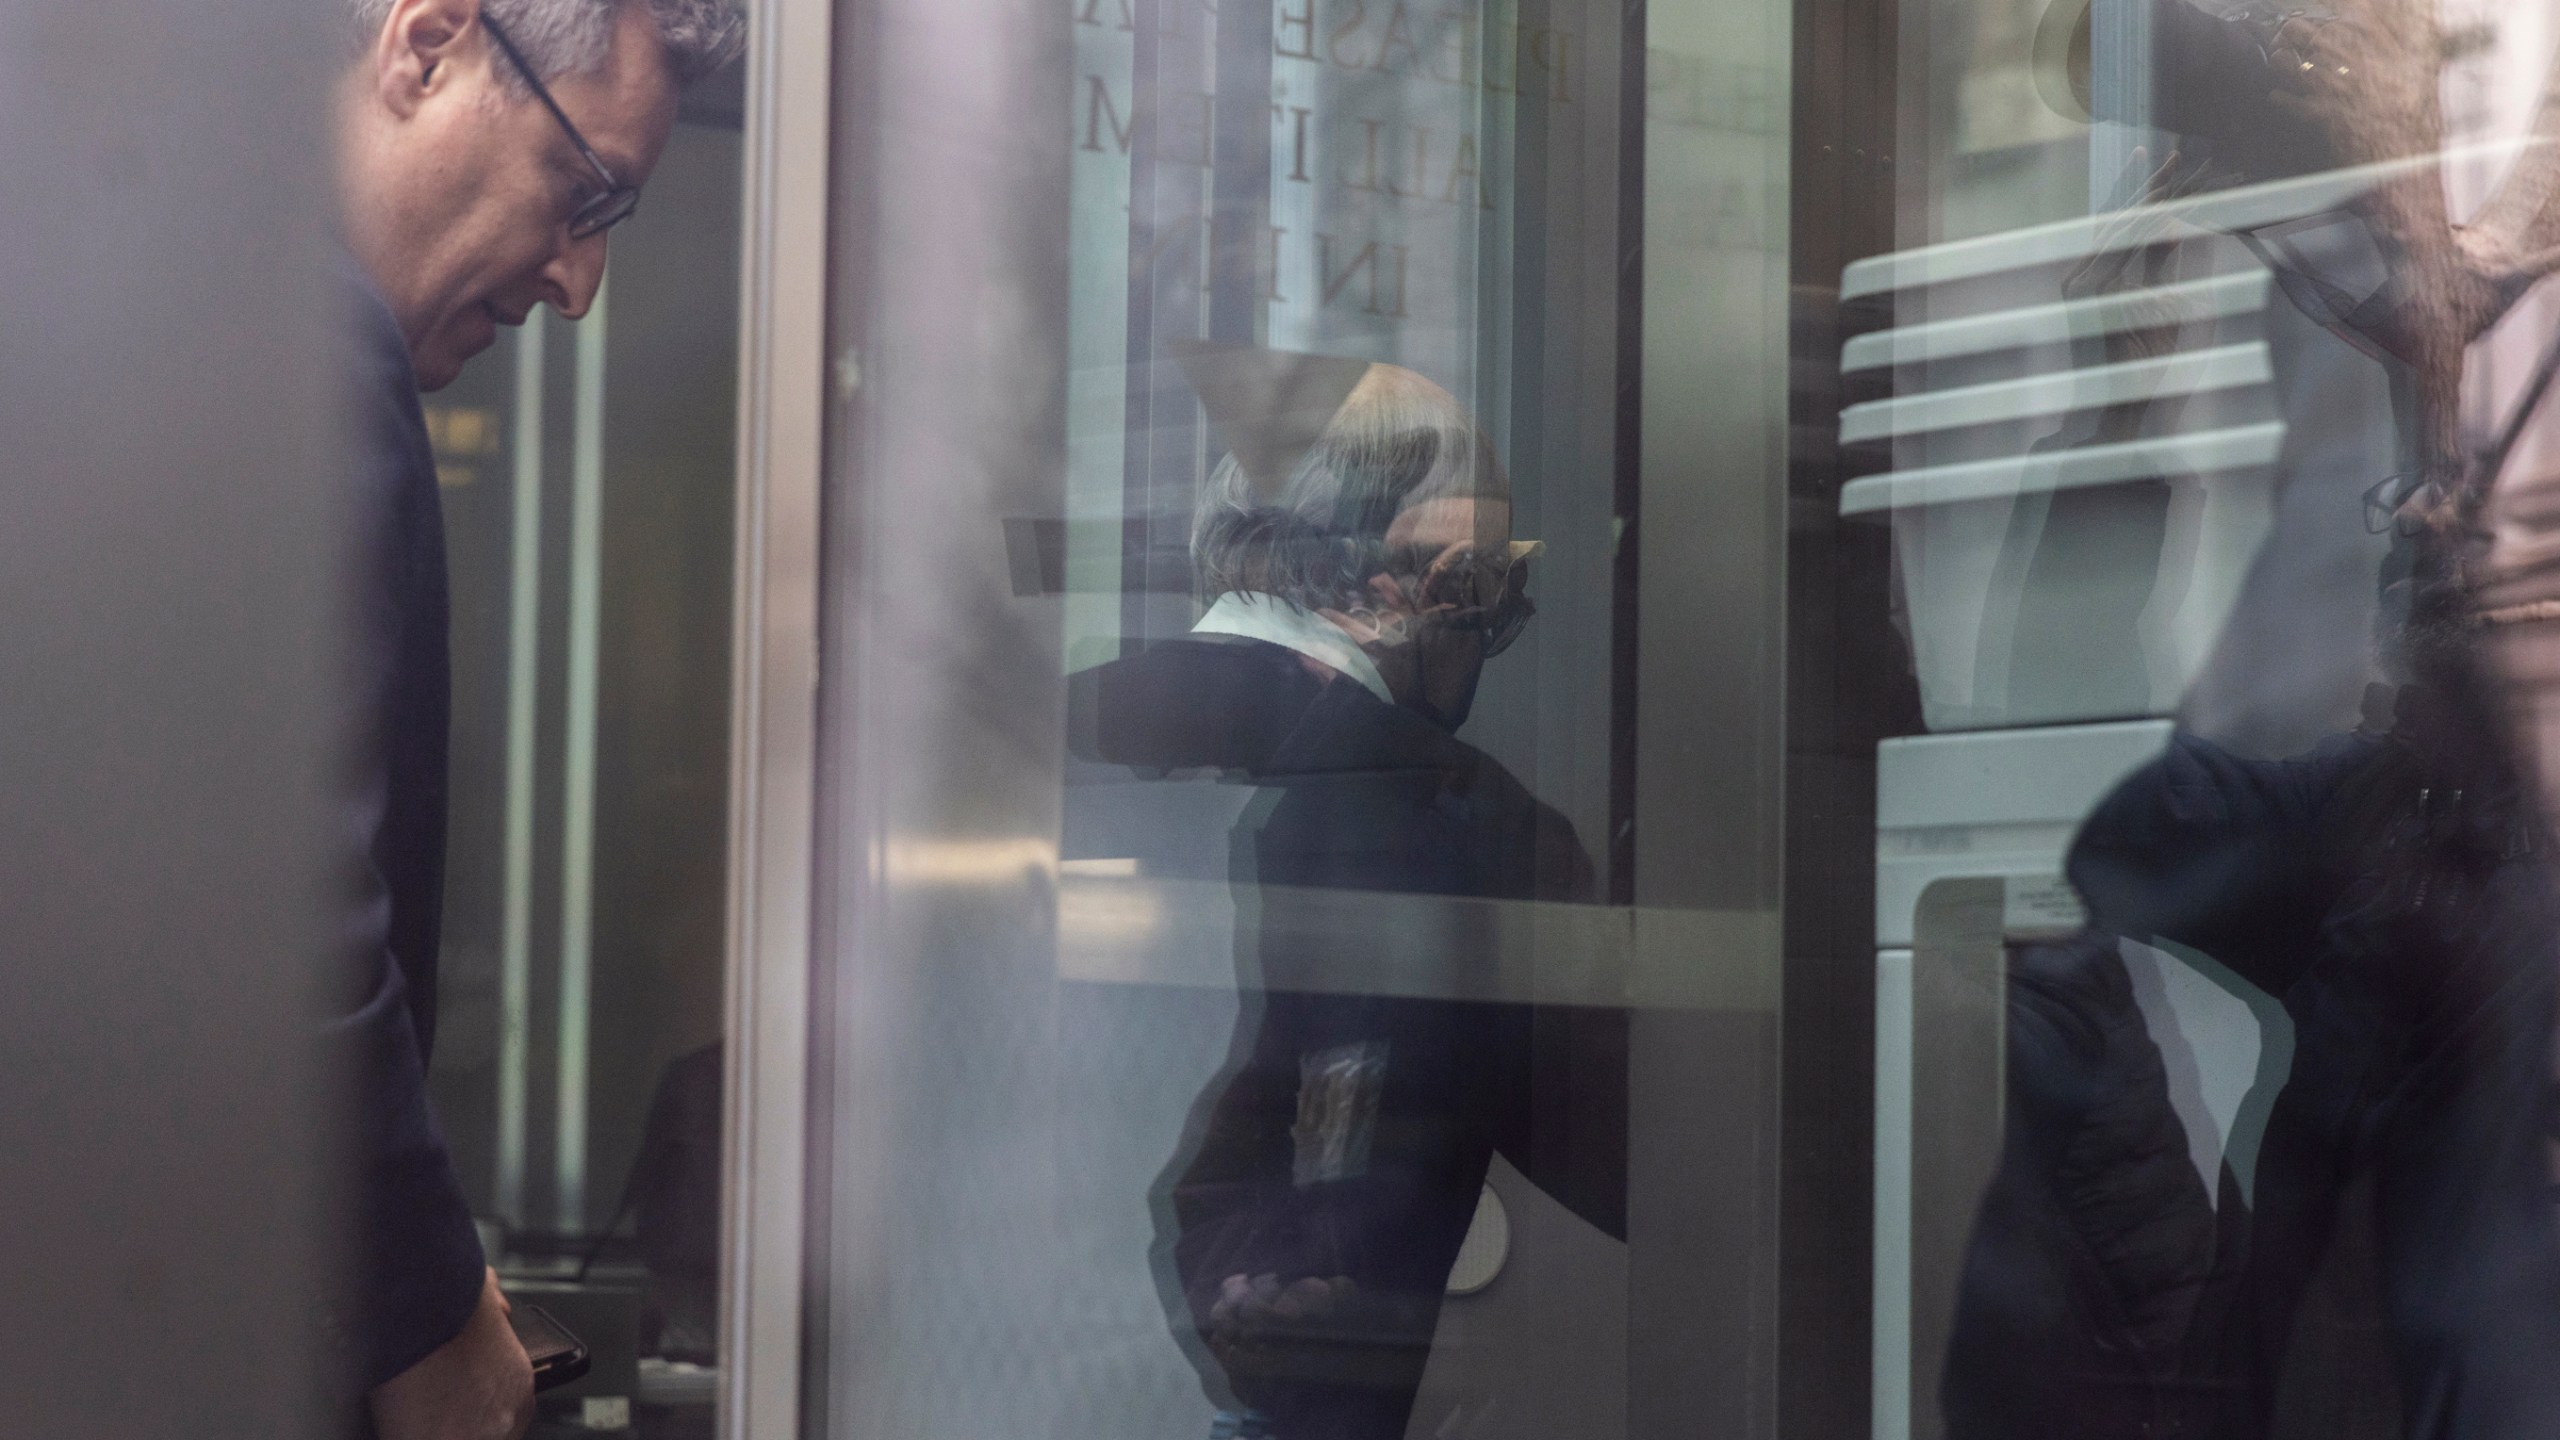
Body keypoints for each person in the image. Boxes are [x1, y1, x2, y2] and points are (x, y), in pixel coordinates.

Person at [1069, 362, 1626, 1440]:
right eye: (1489, 589)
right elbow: (1659, 1169)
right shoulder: (1460, 821)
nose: (1490, 635)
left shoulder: (1016, 758)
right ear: (1405, 588)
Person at [325, 2, 741, 1436]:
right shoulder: (307, 361)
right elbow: (276, 918)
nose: (581, 283)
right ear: (428, 44)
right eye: (586, 195)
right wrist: (427, 1319)